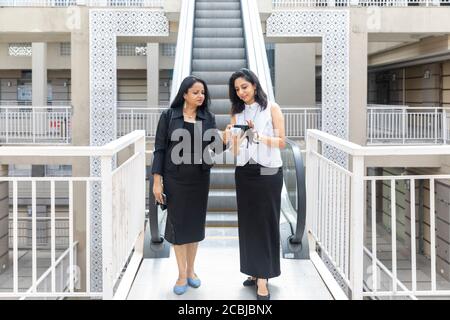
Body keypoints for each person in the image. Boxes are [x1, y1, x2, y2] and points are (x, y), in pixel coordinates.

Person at [151, 75, 219, 295]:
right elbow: (159, 150)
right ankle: (181, 273)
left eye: (203, 92)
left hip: (199, 180)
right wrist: (156, 181)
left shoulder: (208, 118)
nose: (201, 96)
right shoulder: (169, 116)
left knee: (195, 226)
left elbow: (214, 150)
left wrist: (227, 141)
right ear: (184, 95)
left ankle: (191, 271)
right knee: (178, 226)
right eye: (196, 92)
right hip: (175, 180)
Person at [225, 68, 285, 300]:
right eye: (237, 89)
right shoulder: (236, 111)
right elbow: (235, 151)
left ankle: (263, 278)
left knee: (265, 222)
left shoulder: (272, 108)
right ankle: (253, 271)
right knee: (248, 223)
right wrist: (233, 137)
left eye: (244, 87)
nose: (241, 92)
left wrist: (256, 135)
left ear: (255, 86)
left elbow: (281, 142)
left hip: (269, 171)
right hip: (245, 172)